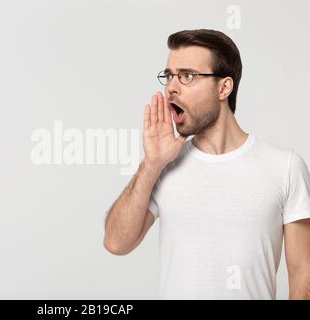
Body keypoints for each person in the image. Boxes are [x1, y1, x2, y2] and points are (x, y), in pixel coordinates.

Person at [103, 29, 310, 299]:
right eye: (169, 76)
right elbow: (116, 242)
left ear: (224, 87)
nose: (171, 88)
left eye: (187, 76)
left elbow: (302, 275)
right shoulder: (164, 166)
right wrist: (151, 163)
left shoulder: (285, 166)